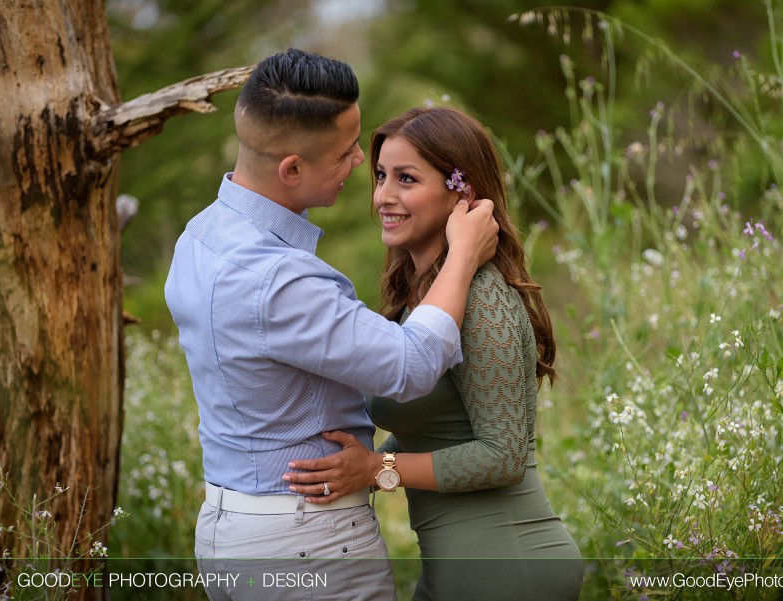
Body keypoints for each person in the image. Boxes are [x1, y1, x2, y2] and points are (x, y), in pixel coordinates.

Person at [164, 50, 498, 601]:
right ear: (291, 169)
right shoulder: (279, 279)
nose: (359, 164)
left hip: (226, 530)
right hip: (306, 541)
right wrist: (462, 256)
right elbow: (411, 366)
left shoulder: (199, 237)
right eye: (346, 153)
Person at [282, 106, 584, 601]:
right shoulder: (423, 302)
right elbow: (440, 429)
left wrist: (377, 471)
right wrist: (354, 468)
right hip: (462, 569)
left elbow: (503, 457)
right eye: (380, 176)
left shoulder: (484, 298)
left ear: (460, 193)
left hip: (509, 566)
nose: (384, 196)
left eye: (406, 178)